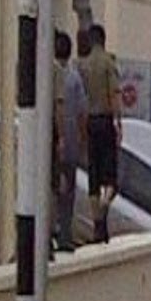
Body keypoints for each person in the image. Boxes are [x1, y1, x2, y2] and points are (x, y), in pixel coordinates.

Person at [79, 24, 121, 243]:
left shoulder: (83, 66)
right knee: (110, 177)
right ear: (103, 40)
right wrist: (118, 122)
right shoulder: (108, 63)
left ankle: (96, 221)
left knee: (93, 174)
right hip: (105, 121)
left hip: (89, 121)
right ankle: (103, 213)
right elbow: (114, 93)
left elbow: (81, 98)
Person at [55, 31, 87, 253]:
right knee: (67, 193)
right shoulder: (73, 78)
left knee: (51, 189)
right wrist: (82, 139)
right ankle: (65, 235)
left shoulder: (46, 74)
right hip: (70, 145)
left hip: (51, 142)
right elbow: (82, 112)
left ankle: (49, 234)